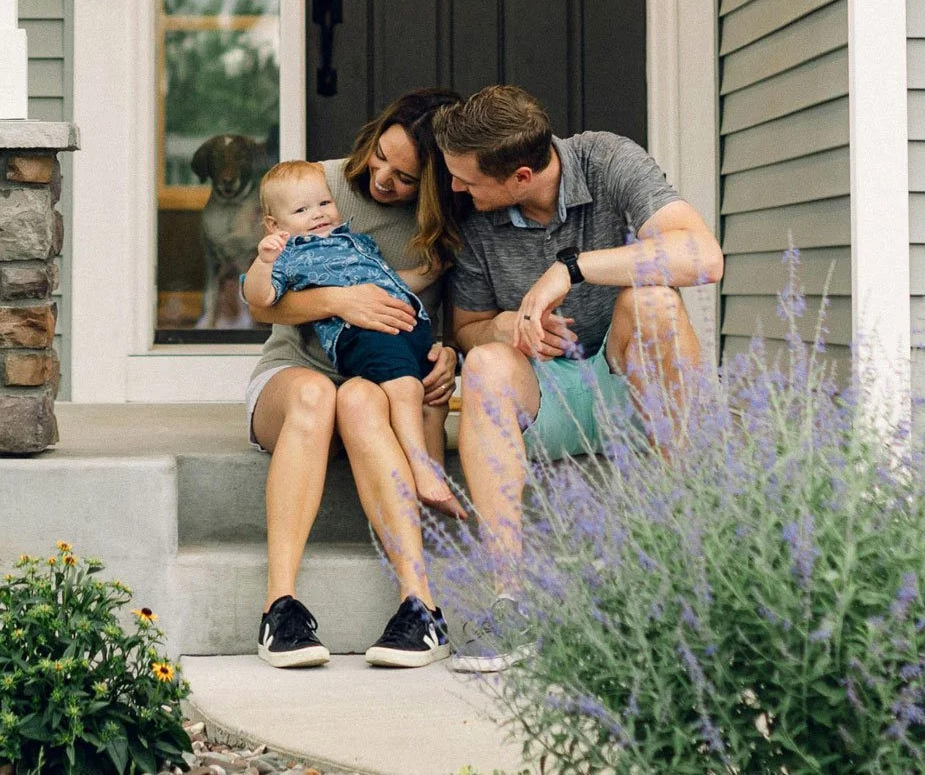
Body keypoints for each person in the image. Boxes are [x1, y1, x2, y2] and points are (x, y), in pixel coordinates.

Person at [432, 85, 724, 672]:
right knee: (486, 365)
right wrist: (508, 326)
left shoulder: (608, 160)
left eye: (466, 179)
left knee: (654, 305)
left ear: (520, 176)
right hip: (548, 398)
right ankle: (510, 600)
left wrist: (572, 269)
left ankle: (689, 562)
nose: (456, 189)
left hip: (631, 387)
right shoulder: (473, 218)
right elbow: (466, 329)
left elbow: (703, 256)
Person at [244, 89, 466, 670]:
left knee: (361, 397)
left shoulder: (444, 223)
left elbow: (441, 315)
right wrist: (342, 299)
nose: (383, 178)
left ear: (439, 182)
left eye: (406, 176)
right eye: (380, 156)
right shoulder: (314, 185)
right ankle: (279, 607)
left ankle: (420, 608)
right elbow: (264, 305)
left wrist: (447, 357)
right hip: (297, 377)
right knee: (321, 392)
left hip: (382, 379)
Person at [243, 159, 466, 520]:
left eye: (323, 204)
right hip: (360, 335)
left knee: (431, 398)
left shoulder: (355, 242)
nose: (317, 215)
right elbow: (260, 298)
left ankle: (431, 496)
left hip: (405, 330)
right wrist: (264, 261)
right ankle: (421, 469)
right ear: (274, 224)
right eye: (301, 210)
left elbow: (392, 282)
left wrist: (430, 272)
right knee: (407, 389)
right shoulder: (290, 254)